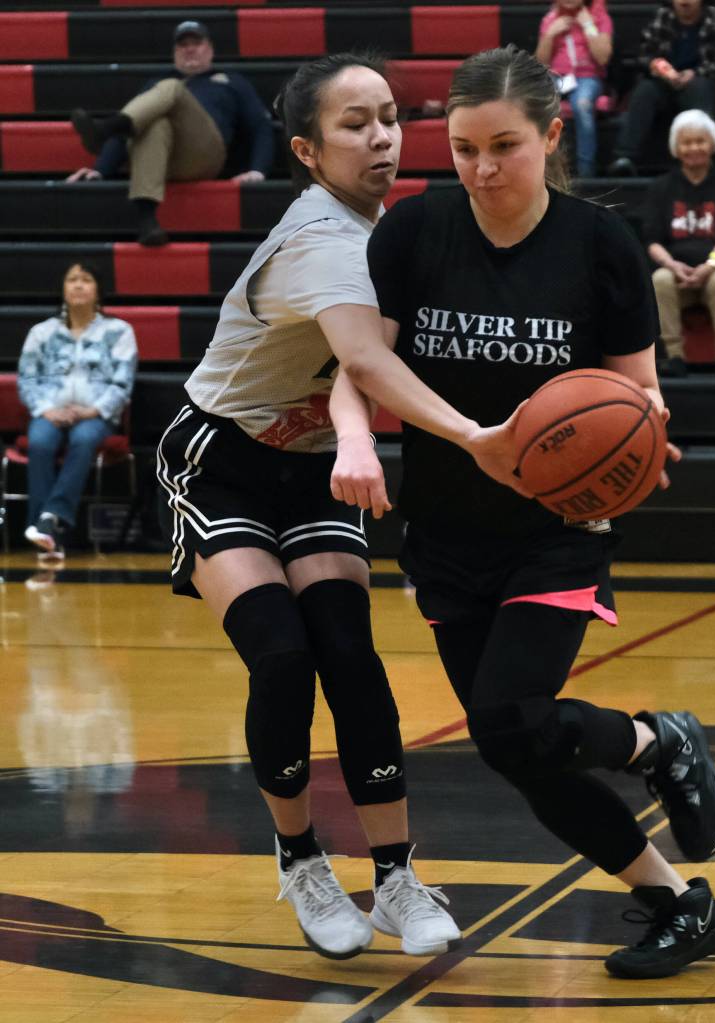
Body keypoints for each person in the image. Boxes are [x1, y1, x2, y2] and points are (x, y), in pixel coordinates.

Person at [330, 45, 715, 981]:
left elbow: (637, 391)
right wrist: (354, 438)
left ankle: (654, 739)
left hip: (558, 529)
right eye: (463, 148)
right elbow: (359, 366)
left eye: (502, 146)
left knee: (509, 721)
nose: (479, 169)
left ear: (550, 136)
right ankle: (679, 899)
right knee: (516, 750)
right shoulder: (413, 233)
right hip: (444, 531)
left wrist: (643, 436)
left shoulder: (600, 245)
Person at [154, 51, 532, 961]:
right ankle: (299, 860)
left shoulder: (398, 233)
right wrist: (477, 436)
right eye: (355, 124)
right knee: (282, 658)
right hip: (223, 460)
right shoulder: (318, 239)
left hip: (313, 463)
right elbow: (364, 364)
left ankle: (397, 876)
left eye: (391, 117)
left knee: (351, 655)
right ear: (308, 152)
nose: (382, 138)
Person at [67, 20, 274, 246]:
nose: (190, 48)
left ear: (210, 49)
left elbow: (261, 125)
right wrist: (100, 170)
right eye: (183, 45)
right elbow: (132, 127)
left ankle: (105, 129)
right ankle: (148, 221)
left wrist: (258, 170)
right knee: (154, 124)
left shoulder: (232, 81)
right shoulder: (154, 83)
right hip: (162, 160)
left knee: (171, 87)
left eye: (196, 42)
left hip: (205, 154)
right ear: (175, 52)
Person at [17, 262, 137, 560]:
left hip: (95, 415)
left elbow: (123, 384)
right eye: (72, 279)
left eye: (86, 279)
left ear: (98, 291)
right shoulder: (41, 333)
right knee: (40, 441)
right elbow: (27, 379)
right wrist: (45, 410)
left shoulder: (119, 331)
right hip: (50, 412)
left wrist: (92, 410)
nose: (79, 285)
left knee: (84, 439)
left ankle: (49, 521)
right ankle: (48, 532)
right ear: (63, 289)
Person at [644, 109, 715, 377]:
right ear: (676, 149)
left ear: (712, 144)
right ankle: (674, 356)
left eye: (700, 141)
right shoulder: (661, 187)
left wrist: (710, 266)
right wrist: (673, 265)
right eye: (686, 142)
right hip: (678, 276)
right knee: (660, 279)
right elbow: (652, 241)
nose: (694, 148)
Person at [607, 0, 715, 176]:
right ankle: (624, 157)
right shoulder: (663, 17)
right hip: (668, 85)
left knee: (699, 87)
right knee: (645, 89)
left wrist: (697, 73)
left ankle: (705, 158)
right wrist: (656, 66)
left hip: (708, 87)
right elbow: (644, 56)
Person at [535, 0, 613, 176]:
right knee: (538, 104)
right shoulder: (550, 18)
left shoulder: (599, 17)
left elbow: (603, 57)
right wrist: (549, 35)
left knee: (582, 104)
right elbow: (540, 63)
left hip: (587, 78)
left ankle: (587, 172)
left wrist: (588, 25)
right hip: (557, 77)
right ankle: (546, 172)